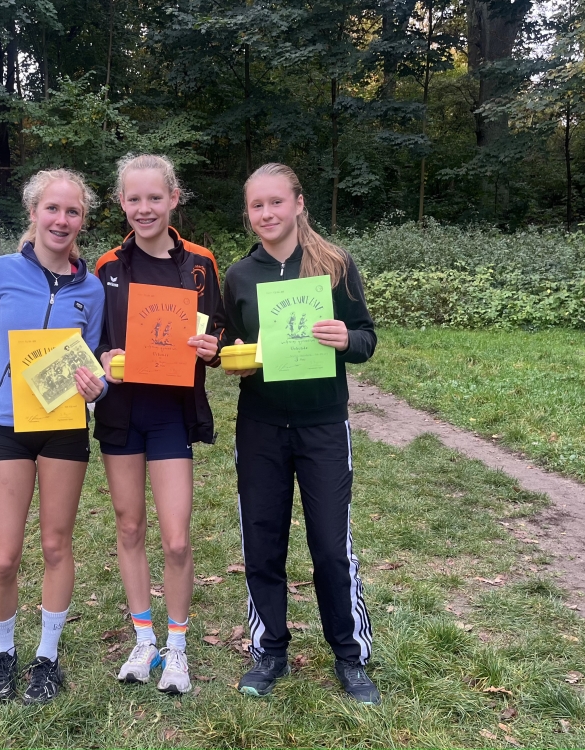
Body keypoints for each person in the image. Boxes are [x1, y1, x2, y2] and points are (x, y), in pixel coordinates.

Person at [219, 162, 380, 703]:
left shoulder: (334, 265)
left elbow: (366, 338)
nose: (267, 213)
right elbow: (231, 345)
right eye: (257, 205)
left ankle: (351, 657)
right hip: (260, 427)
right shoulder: (240, 275)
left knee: (331, 547)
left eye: (276, 202)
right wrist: (233, 359)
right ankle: (270, 651)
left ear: (298, 204)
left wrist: (345, 339)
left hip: (323, 426)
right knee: (262, 542)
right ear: (248, 212)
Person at [0, 168, 106, 705]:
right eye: (52, 209)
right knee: (4, 556)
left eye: (73, 211)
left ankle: (47, 658)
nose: (62, 219)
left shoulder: (91, 289)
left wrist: (98, 387)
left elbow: (95, 362)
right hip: (8, 426)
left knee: (57, 545)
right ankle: (3, 653)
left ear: (83, 220)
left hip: (64, 428)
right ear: (33, 212)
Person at [94, 153, 224, 695]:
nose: (144, 208)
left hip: (172, 414)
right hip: (122, 415)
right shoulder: (106, 266)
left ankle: (177, 647)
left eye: (154, 197)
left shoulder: (200, 263)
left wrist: (212, 348)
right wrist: (102, 357)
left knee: (175, 539)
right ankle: (144, 639)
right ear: (121, 202)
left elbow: (218, 336)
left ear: (173, 198)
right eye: (133, 198)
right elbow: (92, 339)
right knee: (129, 528)